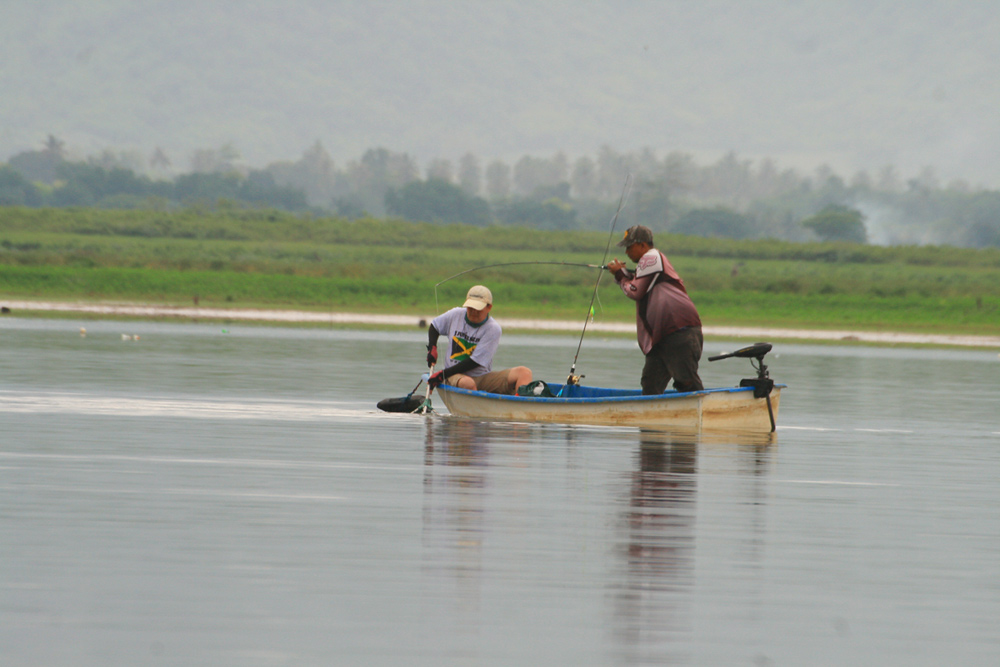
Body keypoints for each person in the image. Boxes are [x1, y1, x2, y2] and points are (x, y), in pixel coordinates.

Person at [606, 225, 704, 395]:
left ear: (643, 245)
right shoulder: (649, 264)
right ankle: (650, 419)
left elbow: (635, 291)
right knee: (650, 384)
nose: (627, 252)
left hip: (679, 331)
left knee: (687, 382)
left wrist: (620, 276)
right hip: (662, 337)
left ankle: (703, 414)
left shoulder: (651, 257)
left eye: (630, 247)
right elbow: (639, 282)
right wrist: (623, 275)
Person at [425, 284, 533, 394]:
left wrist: (442, 374)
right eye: (471, 308)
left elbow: (474, 362)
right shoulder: (455, 314)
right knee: (468, 383)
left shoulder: (493, 329)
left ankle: (517, 406)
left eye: (478, 309)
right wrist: (432, 347)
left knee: (525, 372)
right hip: (454, 375)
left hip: (481, 377)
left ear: (489, 307)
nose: (474, 312)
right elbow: (435, 326)